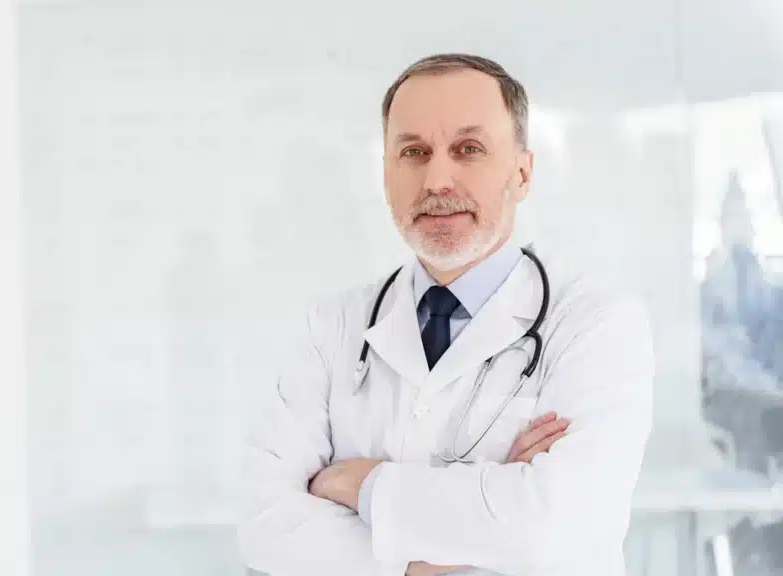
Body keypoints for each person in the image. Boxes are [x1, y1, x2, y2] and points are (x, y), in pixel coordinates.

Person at [237, 54, 653, 575]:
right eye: (413, 152)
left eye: (468, 149)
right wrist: (441, 554)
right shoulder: (333, 326)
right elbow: (264, 526)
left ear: (522, 174)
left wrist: (357, 485)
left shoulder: (596, 326)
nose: (436, 180)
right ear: (386, 173)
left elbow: (557, 530)